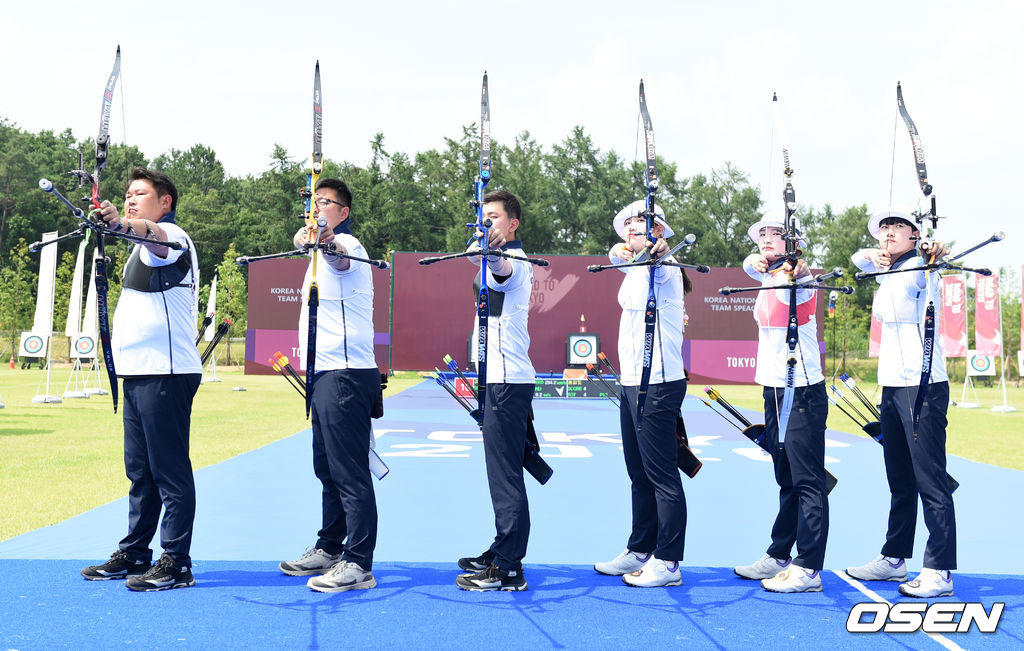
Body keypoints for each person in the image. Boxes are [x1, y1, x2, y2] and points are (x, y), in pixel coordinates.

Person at [81, 167, 202, 591]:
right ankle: (135, 552)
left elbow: (153, 235)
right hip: (139, 373)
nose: (130, 199)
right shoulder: (139, 251)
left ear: (164, 202)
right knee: (140, 471)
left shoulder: (171, 237)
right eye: (127, 194)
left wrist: (121, 225)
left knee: (169, 471)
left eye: (140, 194)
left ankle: (177, 562)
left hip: (166, 371)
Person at [278, 178, 382, 594]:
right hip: (324, 372)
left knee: (349, 472)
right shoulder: (316, 252)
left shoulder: (349, 245)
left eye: (326, 203)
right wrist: (312, 239)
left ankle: (359, 563)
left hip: (346, 373)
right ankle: (330, 547)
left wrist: (324, 238)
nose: (317, 207)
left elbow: (339, 256)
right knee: (327, 469)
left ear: (344, 212)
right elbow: (311, 245)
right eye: (313, 201)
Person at [846, 208, 955, 598]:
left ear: (915, 235)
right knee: (900, 480)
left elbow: (933, 261)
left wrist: (931, 251)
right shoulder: (885, 269)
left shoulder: (919, 269)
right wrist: (873, 254)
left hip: (922, 386)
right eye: (884, 228)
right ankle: (894, 559)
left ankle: (940, 570)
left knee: (930, 480)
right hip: (892, 387)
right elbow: (858, 259)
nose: (889, 232)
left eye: (898, 227)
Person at [732, 212, 829, 593]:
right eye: (763, 234)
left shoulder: (797, 278)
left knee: (807, 480)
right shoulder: (766, 274)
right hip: (773, 388)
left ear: (793, 242)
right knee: (785, 476)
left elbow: (802, 276)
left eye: (777, 232)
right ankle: (780, 554)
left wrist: (797, 267)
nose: (767, 238)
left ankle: (809, 567)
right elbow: (750, 264)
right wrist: (753, 260)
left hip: (801, 389)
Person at [593, 200, 688, 588]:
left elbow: (658, 261)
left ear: (659, 231)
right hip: (632, 381)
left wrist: (657, 251)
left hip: (659, 382)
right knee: (639, 472)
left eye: (642, 223)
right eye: (628, 224)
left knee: (662, 475)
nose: (633, 228)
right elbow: (618, 255)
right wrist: (618, 251)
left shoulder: (665, 265)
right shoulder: (632, 265)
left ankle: (668, 562)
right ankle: (641, 548)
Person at [455, 189, 536, 592]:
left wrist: (491, 251)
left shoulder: (514, 260)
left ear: (513, 223)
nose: (487, 221)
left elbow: (500, 267)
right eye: (482, 215)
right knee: (500, 472)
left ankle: (509, 567)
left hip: (506, 380)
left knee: (505, 476)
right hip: (496, 378)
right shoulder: (488, 251)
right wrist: (483, 243)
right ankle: (503, 548)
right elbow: (478, 255)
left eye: (495, 216)